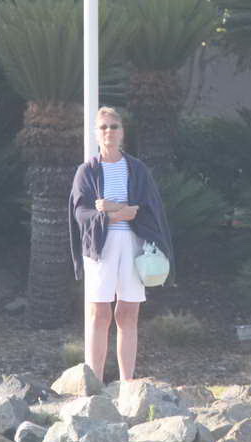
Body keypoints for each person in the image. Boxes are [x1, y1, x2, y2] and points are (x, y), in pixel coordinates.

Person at [69, 106, 174, 381]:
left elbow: (147, 208)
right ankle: (94, 382)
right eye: (103, 127)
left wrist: (110, 207)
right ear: (96, 133)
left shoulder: (137, 169)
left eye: (114, 126)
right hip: (99, 246)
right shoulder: (86, 171)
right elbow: (81, 212)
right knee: (99, 313)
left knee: (128, 312)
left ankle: (127, 382)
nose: (109, 132)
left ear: (122, 132)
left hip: (133, 243)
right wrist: (114, 214)